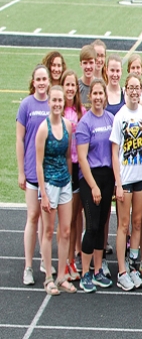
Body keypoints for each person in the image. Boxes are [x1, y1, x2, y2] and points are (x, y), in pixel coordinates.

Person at [110, 72, 142, 291]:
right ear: (125, 90)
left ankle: (134, 266)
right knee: (124, 225)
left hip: (140, 179)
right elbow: (115, 151)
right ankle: (122, 271)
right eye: (132, 88)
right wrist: (118, 183)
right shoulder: (120, 116)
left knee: (137, 224)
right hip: (125, 180)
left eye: (138, 88)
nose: (135, 91)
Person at [35, 85, 76, 295]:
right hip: (49, 184)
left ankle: (62, 275)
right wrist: (42, 193)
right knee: (49, 231)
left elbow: (69, 156)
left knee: (66, 230)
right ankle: (48, 278)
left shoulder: (68, 125)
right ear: (49, 102)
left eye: (61, 101)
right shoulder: (43, 129)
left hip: (64, 183)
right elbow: (38, 163)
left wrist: (68, 178)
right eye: (54, 101)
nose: (58, 104)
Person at [76, 79, 116, 292]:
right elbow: (82, 158)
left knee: (101, 225)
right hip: (90, 178)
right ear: (90, 96)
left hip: (107, 176)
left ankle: (99, 269)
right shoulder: (85, 123)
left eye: (102, 93)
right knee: (91, 225)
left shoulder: (111, 119)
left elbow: (114, 152)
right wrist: (93, 186)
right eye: (95, 94)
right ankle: (85, 273)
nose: (99, 97)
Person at [18, 65, 51, 286]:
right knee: (33, 216)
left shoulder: (53, 104)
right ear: (34, 81)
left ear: (49, 81)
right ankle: (28, 266)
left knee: (47, 220)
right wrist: (21, 171)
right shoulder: (26, 105)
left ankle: (44, 260)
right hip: (31, 170)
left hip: (50, 172)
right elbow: (19, 140)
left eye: (44, 79)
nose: (41, 82)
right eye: (38, 79)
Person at [61, 70, 86, 283]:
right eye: (67, 85)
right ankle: (64, 261)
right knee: (66, 220)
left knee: (77, 216)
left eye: (73, 85)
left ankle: (71, 259)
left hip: (78, 168)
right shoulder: (58, 111)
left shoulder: (81, 111)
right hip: (63, 169)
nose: (70, 89)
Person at [78, 45, 97, 110]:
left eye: (91, 62)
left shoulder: (100, 85)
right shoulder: (76, 86)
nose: (88, 67)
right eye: (85, 63)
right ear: (80, 64)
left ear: (96, 63)